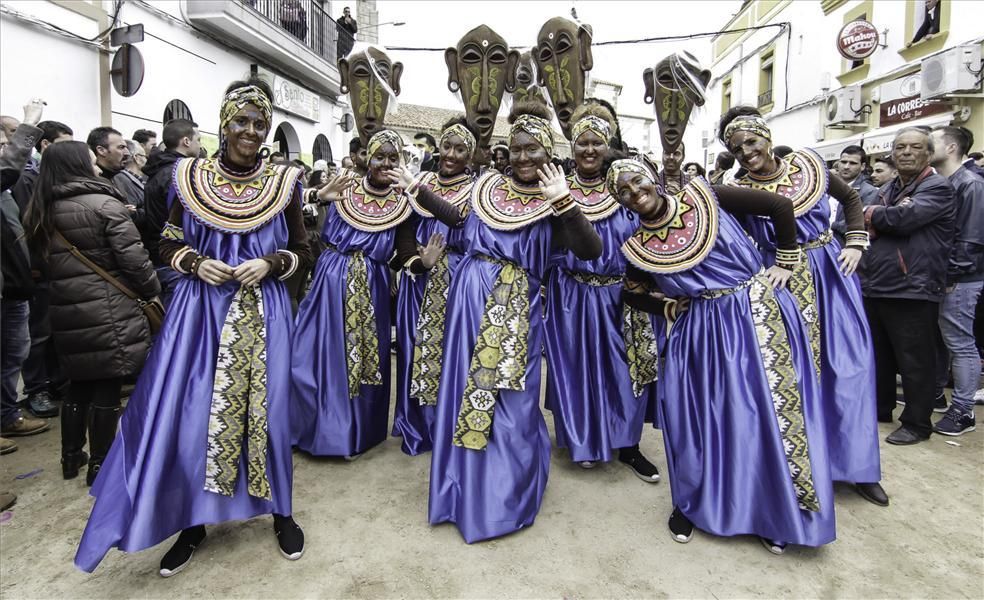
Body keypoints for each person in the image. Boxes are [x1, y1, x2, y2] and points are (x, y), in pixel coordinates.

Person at [73, 78, 311, 575]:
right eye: (241, 120)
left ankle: (281, 511)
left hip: (264, 315)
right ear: (223, 125)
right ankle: (192, 521)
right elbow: (166, 241)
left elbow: (303, 250)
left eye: (259, 122)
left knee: (268, 416)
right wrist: (192, 261)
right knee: (193, 418)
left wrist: (271, 263)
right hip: (201, 314)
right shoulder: (188, 177)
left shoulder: (285, 183)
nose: (250, 130)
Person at [609, 157, 835, 554]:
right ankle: (691, 505)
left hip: (755, 319)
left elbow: (779, 206)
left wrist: (785, 261)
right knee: (695, 422)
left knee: (763, 417)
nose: (633, 193)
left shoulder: (707, 196)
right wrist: (668, 308)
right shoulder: (637, 247)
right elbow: (630, 294)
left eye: (637, 182)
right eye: (622, 192)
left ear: (654, 178)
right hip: (698, 334)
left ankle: (772, 512)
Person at [402, 100, 602, 543]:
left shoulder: (557, 197)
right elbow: (456, 217)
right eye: (517, 149)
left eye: (534, 150)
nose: (525, 157)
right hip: (468, 301)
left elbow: (590, 251)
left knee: (511, 399)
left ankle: (504, 497)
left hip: (515, 307)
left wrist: (565, 204)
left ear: (549, 152)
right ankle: (460, 491)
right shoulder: (486, 186)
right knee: (462, 392)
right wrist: (418, 189)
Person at [723, 111, 887, 506]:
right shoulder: (740, 189)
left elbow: (849, 198)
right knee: (796, 374)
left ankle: (859, 468)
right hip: (781, 280)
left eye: (751, 143)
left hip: (831, 272)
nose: (746, 153)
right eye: (736, 149)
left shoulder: (807, 164)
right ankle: (809, 465)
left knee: (850, 366)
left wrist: (854, 242)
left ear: (766, 137)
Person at [22, 140, 160, 485]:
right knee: (108, 386)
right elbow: (133, 259)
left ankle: (71, 458)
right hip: (108, 307)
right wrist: (150, 290)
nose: (95, 162)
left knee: (78, 384)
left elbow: (38, 264)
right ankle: (101, 463)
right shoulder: (104, 204)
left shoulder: (39, 210)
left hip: (64, 309)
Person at [542, 104, 661, 478]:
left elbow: (650, 229)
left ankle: (628, 445)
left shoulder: (625, 183)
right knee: (575, 368)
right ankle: (583, 442)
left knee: (624, 371)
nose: (589, 150)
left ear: (607, 145)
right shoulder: (556, 187)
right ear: (573, 148)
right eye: (582, 144)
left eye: (596, 143)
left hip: (620, 294)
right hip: (571, 293)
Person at [290, 130, 407, 459]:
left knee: (368, 357)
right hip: (331, 279)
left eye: (392, 157)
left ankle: (358, 433)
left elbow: (402, 247)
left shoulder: (403, 198)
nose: (385, 163)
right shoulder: (344, 185)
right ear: (367, 158)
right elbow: (285, 202)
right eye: (379, 156)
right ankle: (316, 430)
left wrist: (412, 263)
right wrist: (319, 195)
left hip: (374, 283)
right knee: (320, 353)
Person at [858, 127, 955, 445]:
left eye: (915, 147)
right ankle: (880, 409)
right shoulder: (888, 187)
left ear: (928, 153)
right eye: (900, 147)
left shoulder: (937, 187)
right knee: (880, 355)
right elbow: (855, 222)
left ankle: (917, 423)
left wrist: (871, 215)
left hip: (913, 286)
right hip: (877, 284)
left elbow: (903, 219)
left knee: (915, 360)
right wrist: (879, 216)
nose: (907, 152)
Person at [390, 118, 478, 456]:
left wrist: (417, 189)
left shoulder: (476, 188)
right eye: (447, 146)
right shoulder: (422, 178)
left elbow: (456, 218)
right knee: (414, 351)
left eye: (460, 149)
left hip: (456, 278)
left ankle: (448, 425)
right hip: (420, 281)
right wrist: (417, 262)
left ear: (470, 156)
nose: (451, 154)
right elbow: (405, 227)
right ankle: (418, 426)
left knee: (454, 354)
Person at [10, 119, 73, 420]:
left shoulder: (55, 181)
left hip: (55, 270)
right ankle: (36, 389)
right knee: (38, 336)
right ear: (46, 146)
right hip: (38, 271)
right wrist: (34, 268)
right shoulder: (26, 180)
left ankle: (57, 383)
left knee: (54, 332)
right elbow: (27, 228)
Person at [1, 99, 50, 447]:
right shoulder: (7, 178)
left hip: (13, 288)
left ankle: (6, 415)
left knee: (13, 355)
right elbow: (9, 167)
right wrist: (30, 123)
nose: (7, 150)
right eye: (4, 142)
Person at [929, 126, 984, 436]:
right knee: (946, 341)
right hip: (948, 276)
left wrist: (951, 276)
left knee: (961, 343)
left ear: (950, 148)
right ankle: (940, 397)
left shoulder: (971, 184)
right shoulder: (948, 182)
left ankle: (963, 411)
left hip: (961, 279)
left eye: (932, 142)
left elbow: (971, 240)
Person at [141, 118, 201, 306]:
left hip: (162, 257)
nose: (200, 145)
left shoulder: (159, 171)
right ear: (186, 141)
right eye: (198, 139)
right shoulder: (178, 174)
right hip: (177, 260)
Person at [832, 145, 878, 244]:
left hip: (848, 247)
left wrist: (830, 225)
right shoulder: (827, 187)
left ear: (862, 167)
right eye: (843, 162)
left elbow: (860, 221)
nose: (846, 167)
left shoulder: (869, 191)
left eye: (852, 163)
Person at [113, 140, 147, 229]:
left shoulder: (138, 179)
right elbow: (132, 214)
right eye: (144, 156)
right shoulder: (121, 179)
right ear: (137, 158)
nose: (146, 159)